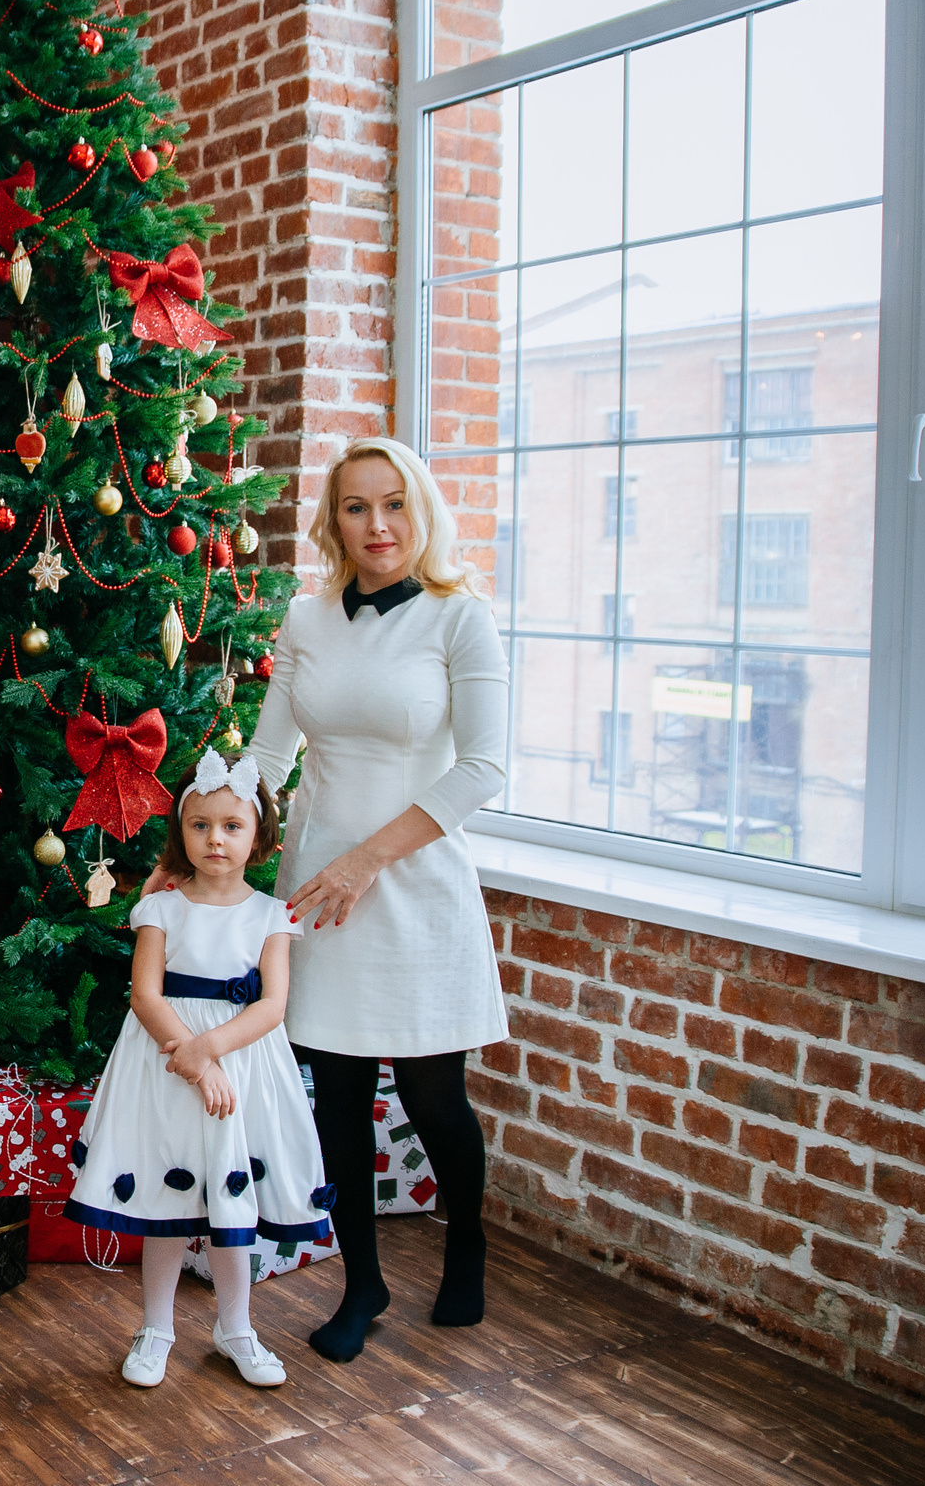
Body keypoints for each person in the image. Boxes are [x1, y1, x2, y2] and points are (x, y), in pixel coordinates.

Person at [244, 435, 510, 1364]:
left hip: (415, 882)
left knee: (435, 1095)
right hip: (317, 886)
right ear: (333, 521)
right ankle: (363, 1283)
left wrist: (368, 862)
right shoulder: (305, 619)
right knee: (338, 1097)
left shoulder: (459, 618)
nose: (377, 524)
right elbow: (268, 757)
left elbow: (484, 767)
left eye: (393, 503)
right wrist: (201, 836)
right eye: (357, 507)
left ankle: (465, 1244)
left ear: (421, 509)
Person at [63, 750, 334, 1390]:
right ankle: (157, 1326)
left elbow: (272, 1005)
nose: (216, 838)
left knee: (230, 1203)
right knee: (166, 1198)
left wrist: (209, 1052)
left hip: (239, 1067)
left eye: (232, 826)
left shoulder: (271, 916)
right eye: (201, 825)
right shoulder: (161, 909)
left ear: (259, 836)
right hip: (163, 1069)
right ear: (181, 833)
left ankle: (235, 1326)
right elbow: (146, 997)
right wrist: (191, 1061)